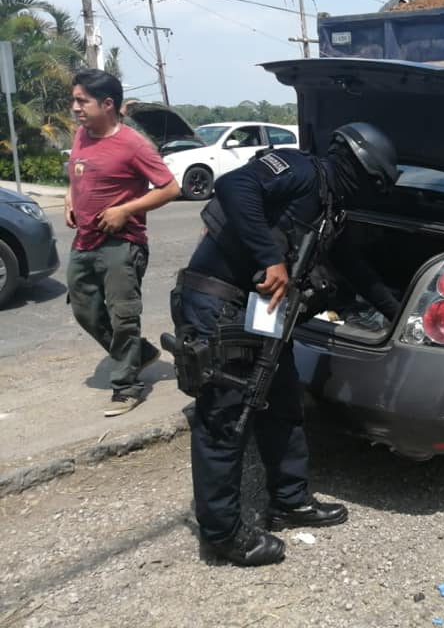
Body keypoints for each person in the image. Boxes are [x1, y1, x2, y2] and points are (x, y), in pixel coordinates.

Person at [169, 122, 400, 567]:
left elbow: (352, 264)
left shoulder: (330, 207)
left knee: (281, 403)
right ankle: (222, 534)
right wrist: (269, 257)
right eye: (374, 184)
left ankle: (290, 502)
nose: (372, 193)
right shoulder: (301, 169)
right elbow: (234, 185)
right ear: (358, 167)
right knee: (224, 419)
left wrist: (397, 311)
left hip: (261, 314)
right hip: (218, 303)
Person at [65, 69, 180, 417]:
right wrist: (71, 200)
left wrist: (125, 210)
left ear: (108, 103)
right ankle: (141, 354)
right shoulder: (81, 135)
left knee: (122, 317)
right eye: (74, 100)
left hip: (121, 244)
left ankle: (127, 387)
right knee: (84, 310)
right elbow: (76, 174)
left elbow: (170, 188)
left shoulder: (132, 144)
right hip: (84, 241)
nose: (75, 107)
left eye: (82, 101)